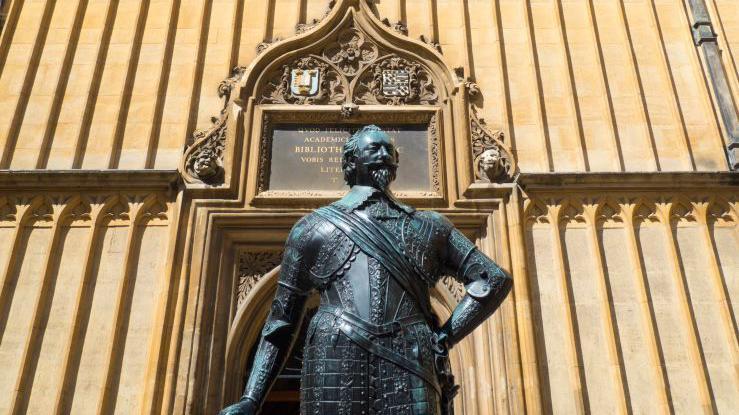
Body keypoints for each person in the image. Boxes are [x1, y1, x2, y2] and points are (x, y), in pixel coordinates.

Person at [220, 125, 512, 415]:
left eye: (389, 150)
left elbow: (493, 278)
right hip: (334, 360)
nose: (384, 155)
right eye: (374, 149)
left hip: (409, 356)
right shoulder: (313, 229)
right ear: (351, 162)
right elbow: (280, 325)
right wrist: (251, 399)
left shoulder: (429, 225)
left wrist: (445, 336)